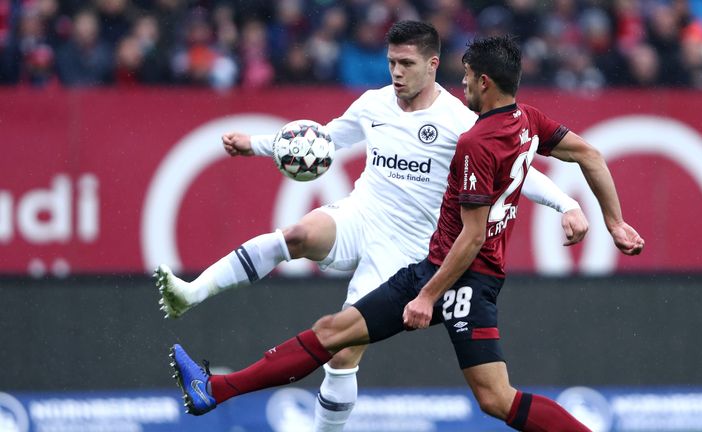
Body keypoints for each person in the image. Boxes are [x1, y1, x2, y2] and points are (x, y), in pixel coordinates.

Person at [156, 21, 588, 432]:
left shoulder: (461, 123)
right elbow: (321, 141)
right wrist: (256, 146)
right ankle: (190, 294)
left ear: (433, 65)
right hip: (362, 213)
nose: (397, 73)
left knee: (342, 350)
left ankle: (233, 395)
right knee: (298, 235)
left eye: (407, 65)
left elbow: (518, 170)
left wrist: (566, 203)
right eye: (392, 63)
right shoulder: (373, 104)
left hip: (408, 249)